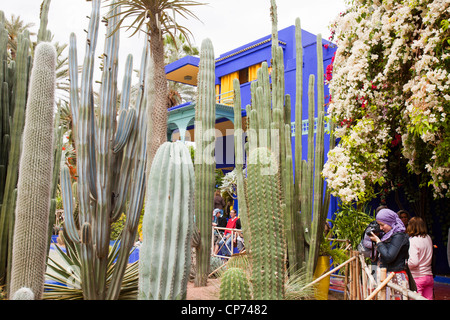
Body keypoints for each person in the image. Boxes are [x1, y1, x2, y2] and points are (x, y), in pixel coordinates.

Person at [368, 208, 410, 300]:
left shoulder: (399, 235)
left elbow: (389, 256)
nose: (381, 228)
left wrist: (378, 242)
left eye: (382, 225)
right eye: (379, 225)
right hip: (387, 275)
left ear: (390, 222)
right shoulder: (388, 235)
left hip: (396, 276)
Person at [406, 217, 434, 300]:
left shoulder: (413, 241)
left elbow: (414, 262)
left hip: (417, 277)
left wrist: (406, 264)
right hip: (428, 275)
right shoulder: (428, 238)